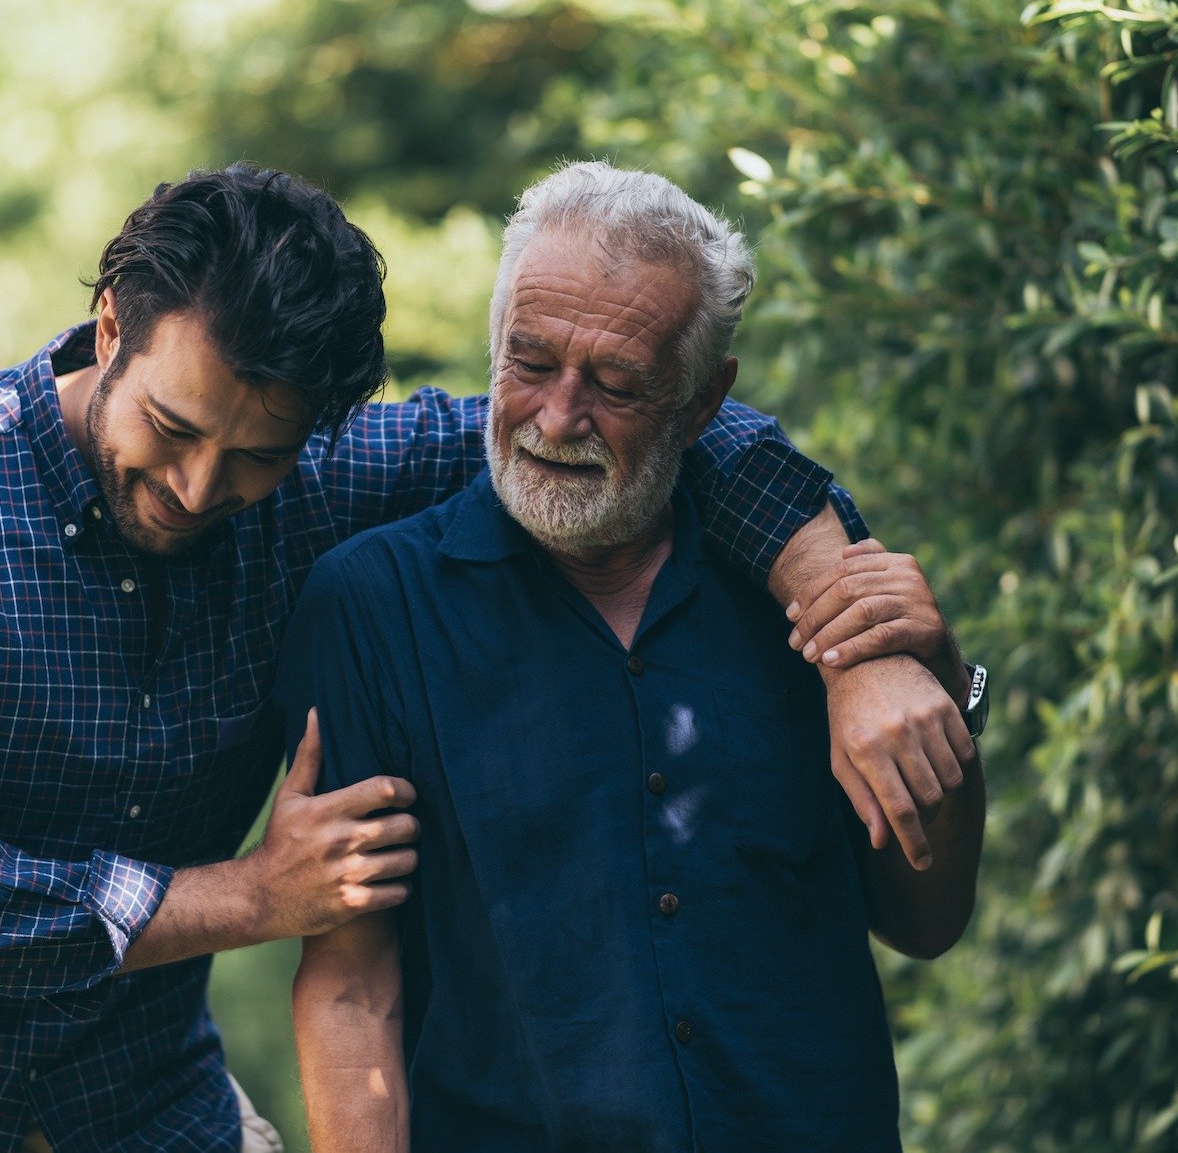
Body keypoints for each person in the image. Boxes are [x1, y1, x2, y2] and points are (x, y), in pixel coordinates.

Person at [0, 164, 959, 1153]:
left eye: (254, 455)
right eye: (173, 426)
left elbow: (671, 430)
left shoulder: (317, 477)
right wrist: (255, 894)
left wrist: (855, 635)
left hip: (138, 1117)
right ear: (108, 331)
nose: (200, 487)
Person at [281, 162, 987, 1152]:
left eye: (616, 384)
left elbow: (926, 919)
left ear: (704, 404)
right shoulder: (373, 603)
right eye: (528, 363)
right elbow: (356, 978)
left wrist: (933, 682)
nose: (558, 418)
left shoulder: (811, 590)